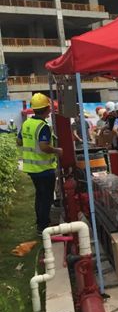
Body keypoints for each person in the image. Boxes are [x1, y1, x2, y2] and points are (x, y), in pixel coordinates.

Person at [17, 93, 63, 235]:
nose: (50, 110)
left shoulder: (26, 124)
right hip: (44, 169)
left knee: (40, 196)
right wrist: (57, 150)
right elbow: (43, 147)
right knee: (46, 197)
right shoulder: (43, 126)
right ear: (45, 109)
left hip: (31, 169)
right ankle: (43, 226)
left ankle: (41, 222)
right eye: (49, 108)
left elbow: (19, 142)